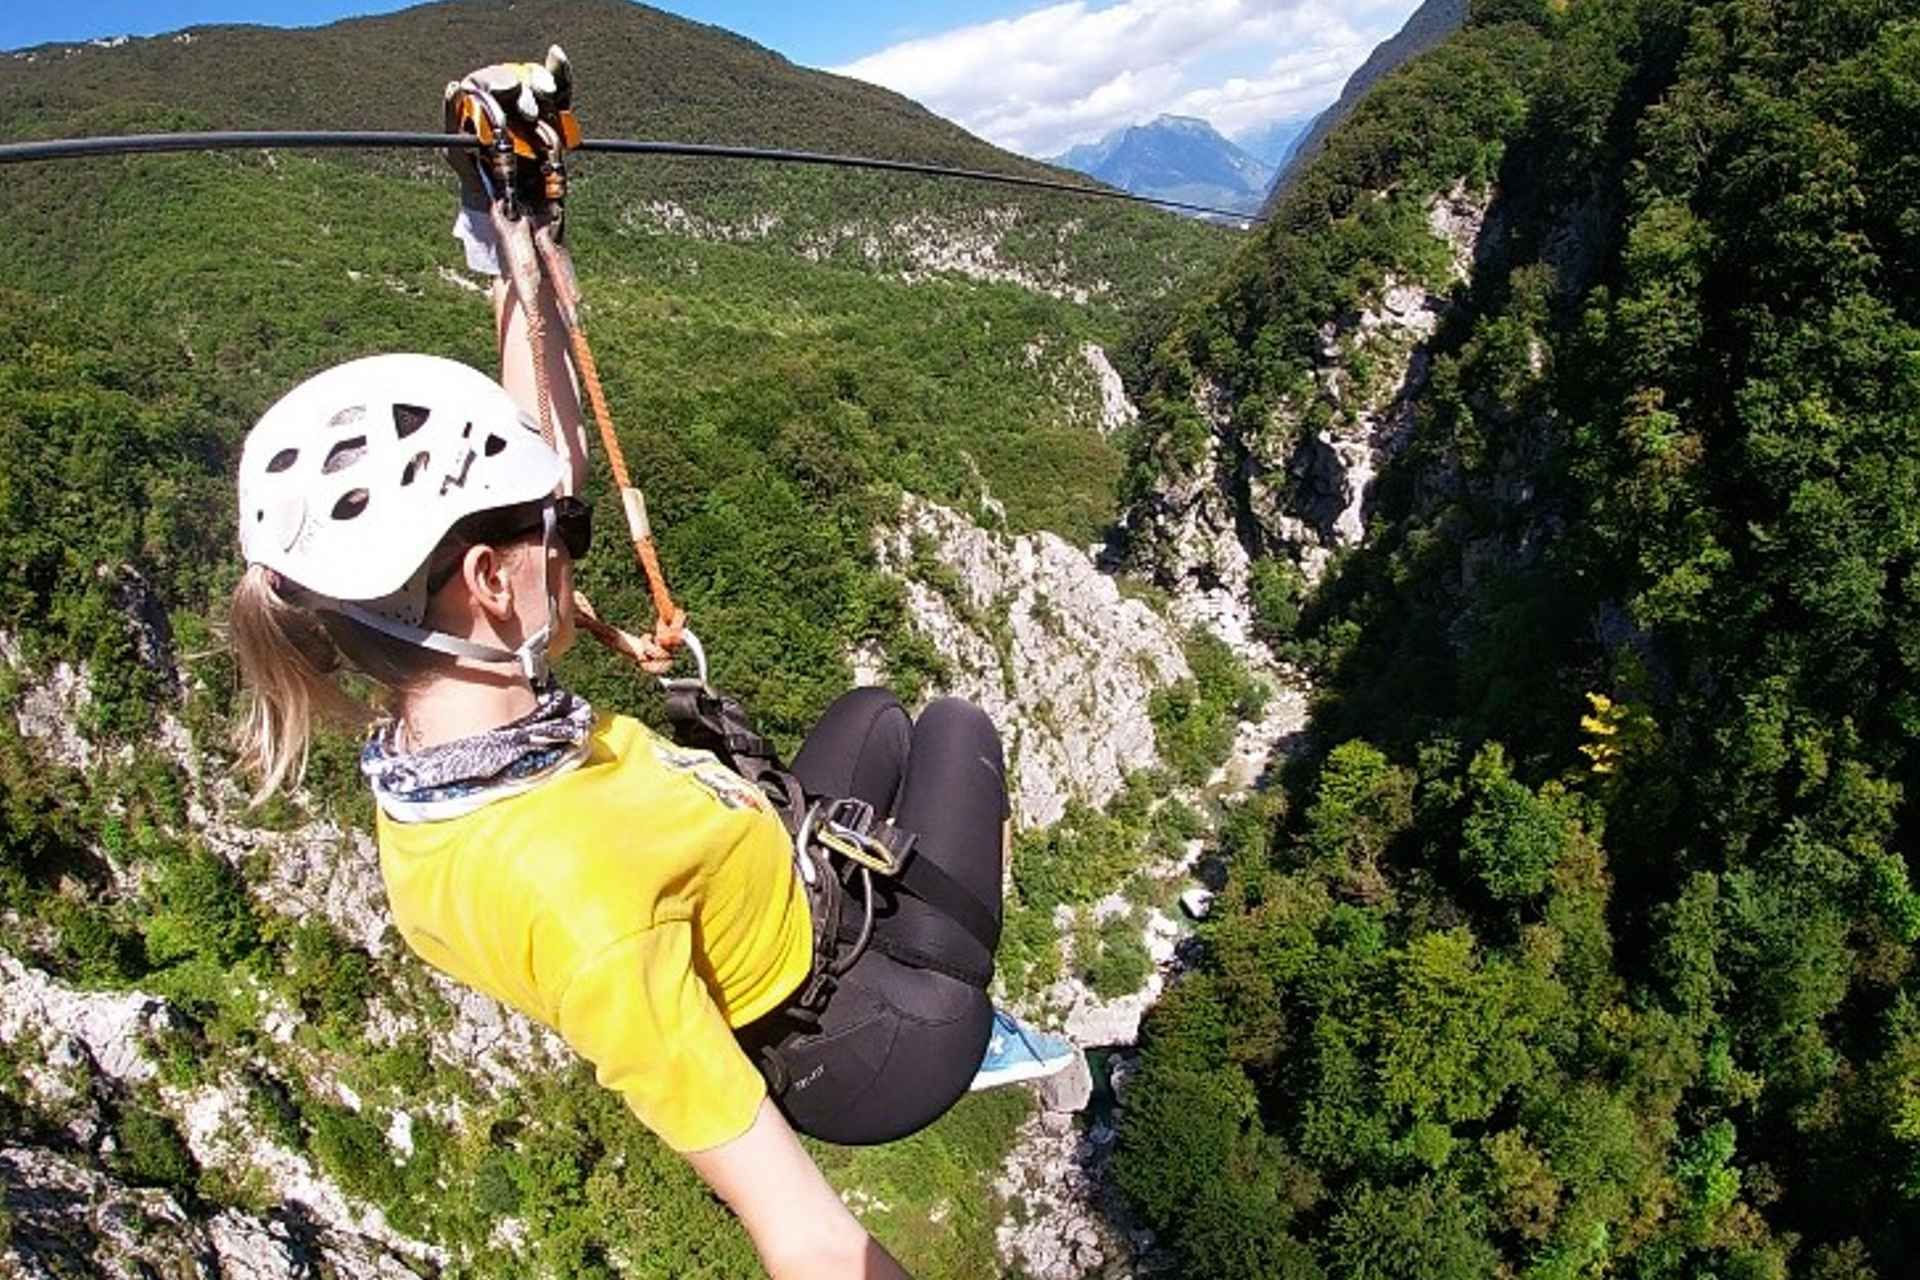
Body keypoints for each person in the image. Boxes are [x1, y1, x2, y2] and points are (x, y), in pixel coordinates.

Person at [225, 56, 1073, 1280]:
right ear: (488, 584)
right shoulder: (578, 902)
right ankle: (976, 988)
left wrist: (511, 230)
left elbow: (533, 468)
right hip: (866, 1032)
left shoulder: (438, 747)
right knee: (954, 729)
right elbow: (811, 1241)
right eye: (554, 535)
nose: (569, 537)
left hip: (772, 881)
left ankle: (928, 910)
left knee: (875, 717)